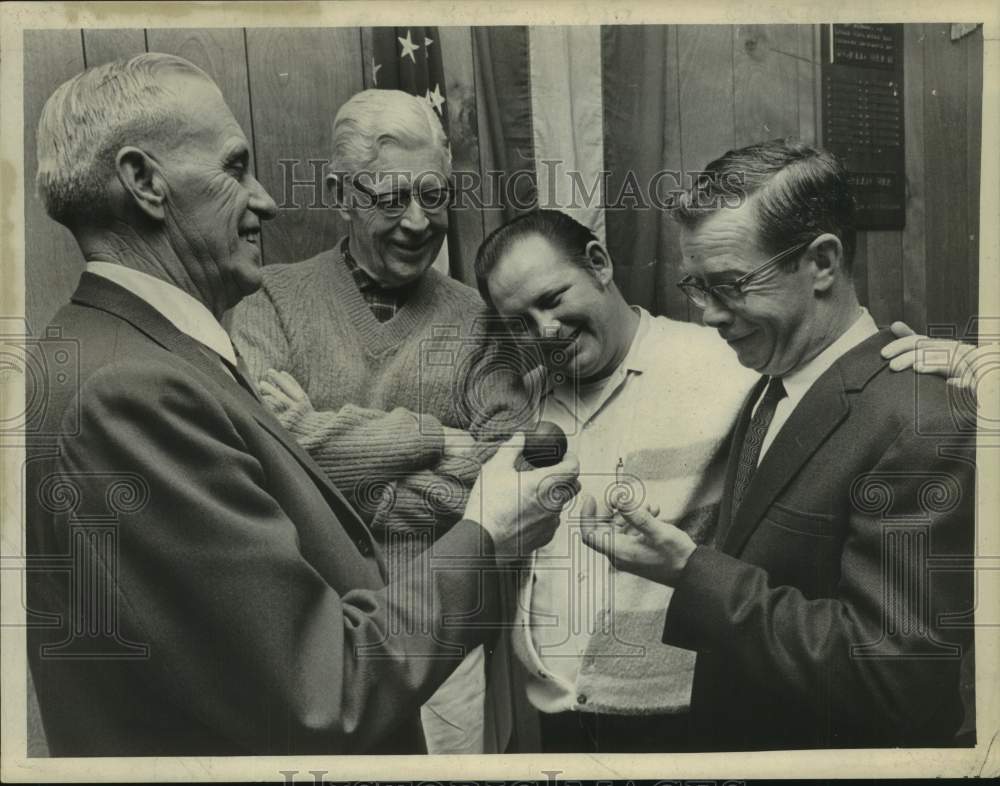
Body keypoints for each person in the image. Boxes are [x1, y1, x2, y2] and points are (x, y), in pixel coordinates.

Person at [24, 53, 579, 757]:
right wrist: (477, 510)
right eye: (235, 168)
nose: (266, 200)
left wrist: (341, 452)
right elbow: (327, 686)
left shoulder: (114, 352)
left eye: (433, 195)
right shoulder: (130, 391)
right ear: (143, 181)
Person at [581, 139, 975, 750]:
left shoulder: (920, 421)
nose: (709, 315)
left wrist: (690, 571)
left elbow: (892, 682)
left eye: (732, 285)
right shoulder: (773, 383)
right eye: (696, 287)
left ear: (821, 262)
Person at [228, 88, 533, 754]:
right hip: (316, 639)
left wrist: (334, 466)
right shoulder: (269, 300)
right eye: (391, 199)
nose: (419, 222)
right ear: (342, 195)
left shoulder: (479, 318)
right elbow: (267, 460)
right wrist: (427, 438)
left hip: (446, 639)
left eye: (433, 195)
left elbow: (507, 476)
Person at [473, 209, 758, 752]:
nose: (546, 331)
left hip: (683, 722)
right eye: (521, 321)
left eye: (553, 300)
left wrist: (948, 363)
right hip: (556, 718)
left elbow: (833, 388)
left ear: (599, 264)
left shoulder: (721, 364)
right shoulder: (524, 398)